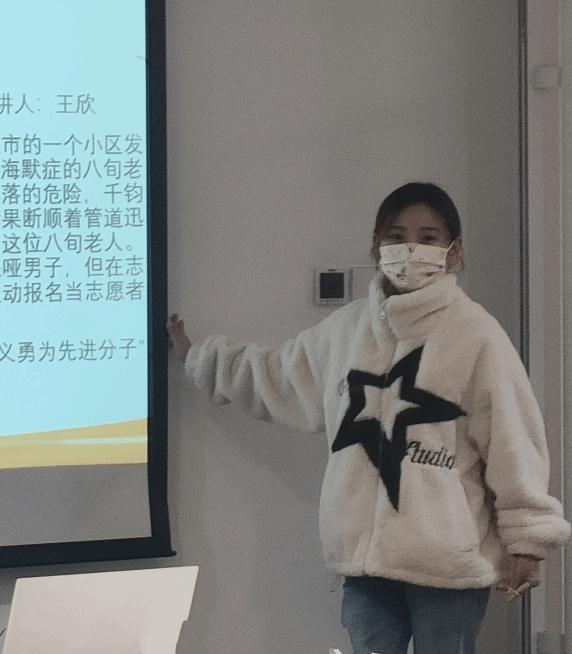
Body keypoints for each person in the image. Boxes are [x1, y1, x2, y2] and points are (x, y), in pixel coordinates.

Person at [167, 182, 570, 654]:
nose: (410, 249)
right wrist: (200, 357)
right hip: (363, 563)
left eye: (428, 237)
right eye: (396, 236)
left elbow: (513, 442)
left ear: (455, 250)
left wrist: (527, 543)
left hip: (447, 564)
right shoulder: (346, 330)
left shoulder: (477, 335)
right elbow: (277, 377)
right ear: (375, 245)